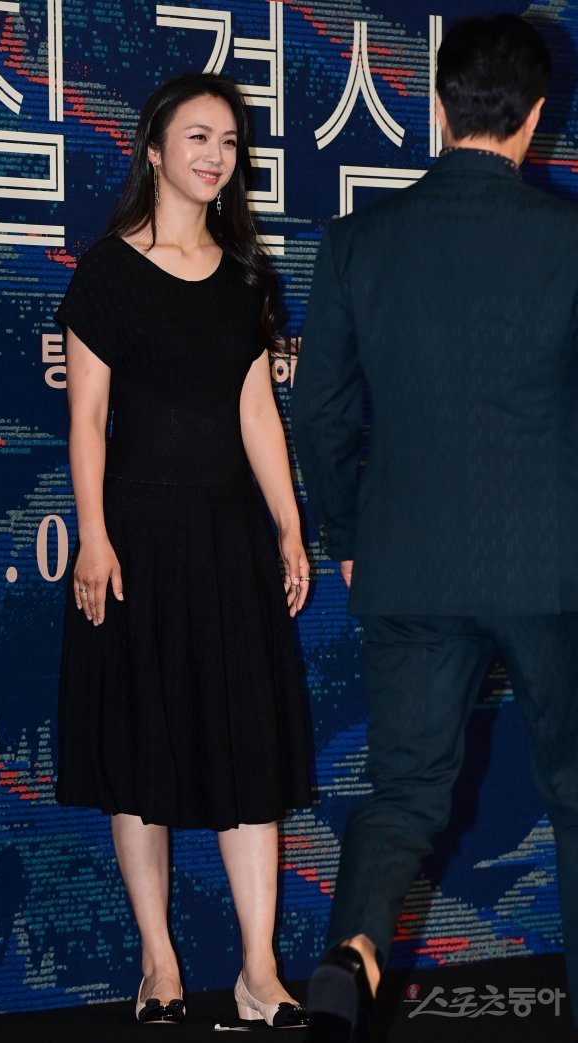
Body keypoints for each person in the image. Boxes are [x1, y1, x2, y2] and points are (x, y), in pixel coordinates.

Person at [292, 14, 578, 1042]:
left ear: (434, 104)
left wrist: (347, 532)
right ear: (535, 117)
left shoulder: (358, 241)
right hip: (554, 562)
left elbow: (319, 414)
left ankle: (355, 946)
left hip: (408, 559)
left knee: (404, 791)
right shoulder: (568, 243)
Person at [55, 72, 311, 1028]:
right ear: (154, 149)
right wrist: (92, 535)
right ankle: (159, 965)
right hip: (136, 543)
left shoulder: (245, 276)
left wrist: (288, 523)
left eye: (230, 141)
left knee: (250, 750)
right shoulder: (107, 273)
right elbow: (87, 421)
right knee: (143, 751)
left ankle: (258, 971)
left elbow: (257, 410)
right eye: (197, 136)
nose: (216, 156)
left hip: (230, 539)